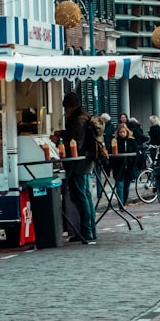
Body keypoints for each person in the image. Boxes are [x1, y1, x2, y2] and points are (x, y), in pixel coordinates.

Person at [59, 92, 97, 242]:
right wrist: (63, 133)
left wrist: (60, 144)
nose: (65, 112)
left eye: (66, 109)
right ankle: (90, 229)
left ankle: (86, 230)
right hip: (85, 162)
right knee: (85, 195)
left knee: (81, 196)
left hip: (78, 163)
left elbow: (76, 142)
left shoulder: (77, 120)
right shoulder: (83, 116)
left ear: (70, 107)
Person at [111, 123, 138, 206]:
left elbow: (136, 152)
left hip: (128, 167)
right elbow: (111, 152)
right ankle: (121, 204)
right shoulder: (115, 141)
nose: (122, 134)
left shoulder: (131, 141)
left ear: (127, 132)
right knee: (119, 186)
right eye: (120, 132)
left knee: (126, 187)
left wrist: (133, 163)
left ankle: (124, 202)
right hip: (118, 167)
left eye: (123, 132)